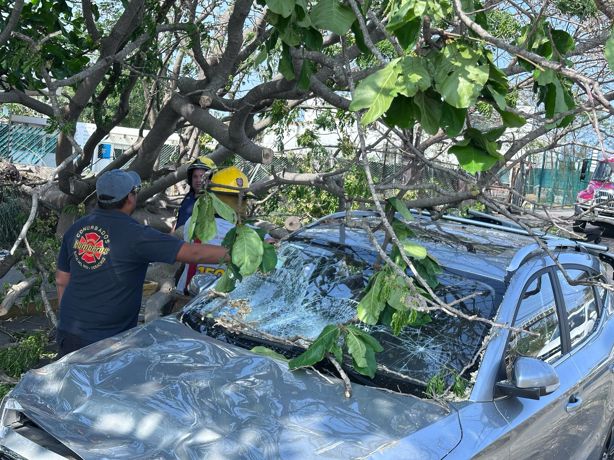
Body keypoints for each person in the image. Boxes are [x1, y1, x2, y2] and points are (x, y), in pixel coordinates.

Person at [55, 169, 228, 357]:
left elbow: (62, 280)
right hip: (106, 339)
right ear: (130, 197)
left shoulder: (77, 228)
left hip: (68, 331)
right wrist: (241, 252)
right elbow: (193, 253)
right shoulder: (137, 235)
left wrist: (68, 319)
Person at [176, 165, 261, 294]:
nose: (242, 204)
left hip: (187, 295)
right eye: (237, 198)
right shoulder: (250, 233)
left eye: (244, 199)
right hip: (218, 302)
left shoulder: (193, 222)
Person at [175, 156, 217, 229]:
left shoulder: (213, 202)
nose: (198, 180)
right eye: (195, 176)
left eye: (202, 176)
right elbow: (179, 219)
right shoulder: (189, 196)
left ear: (210, 179)